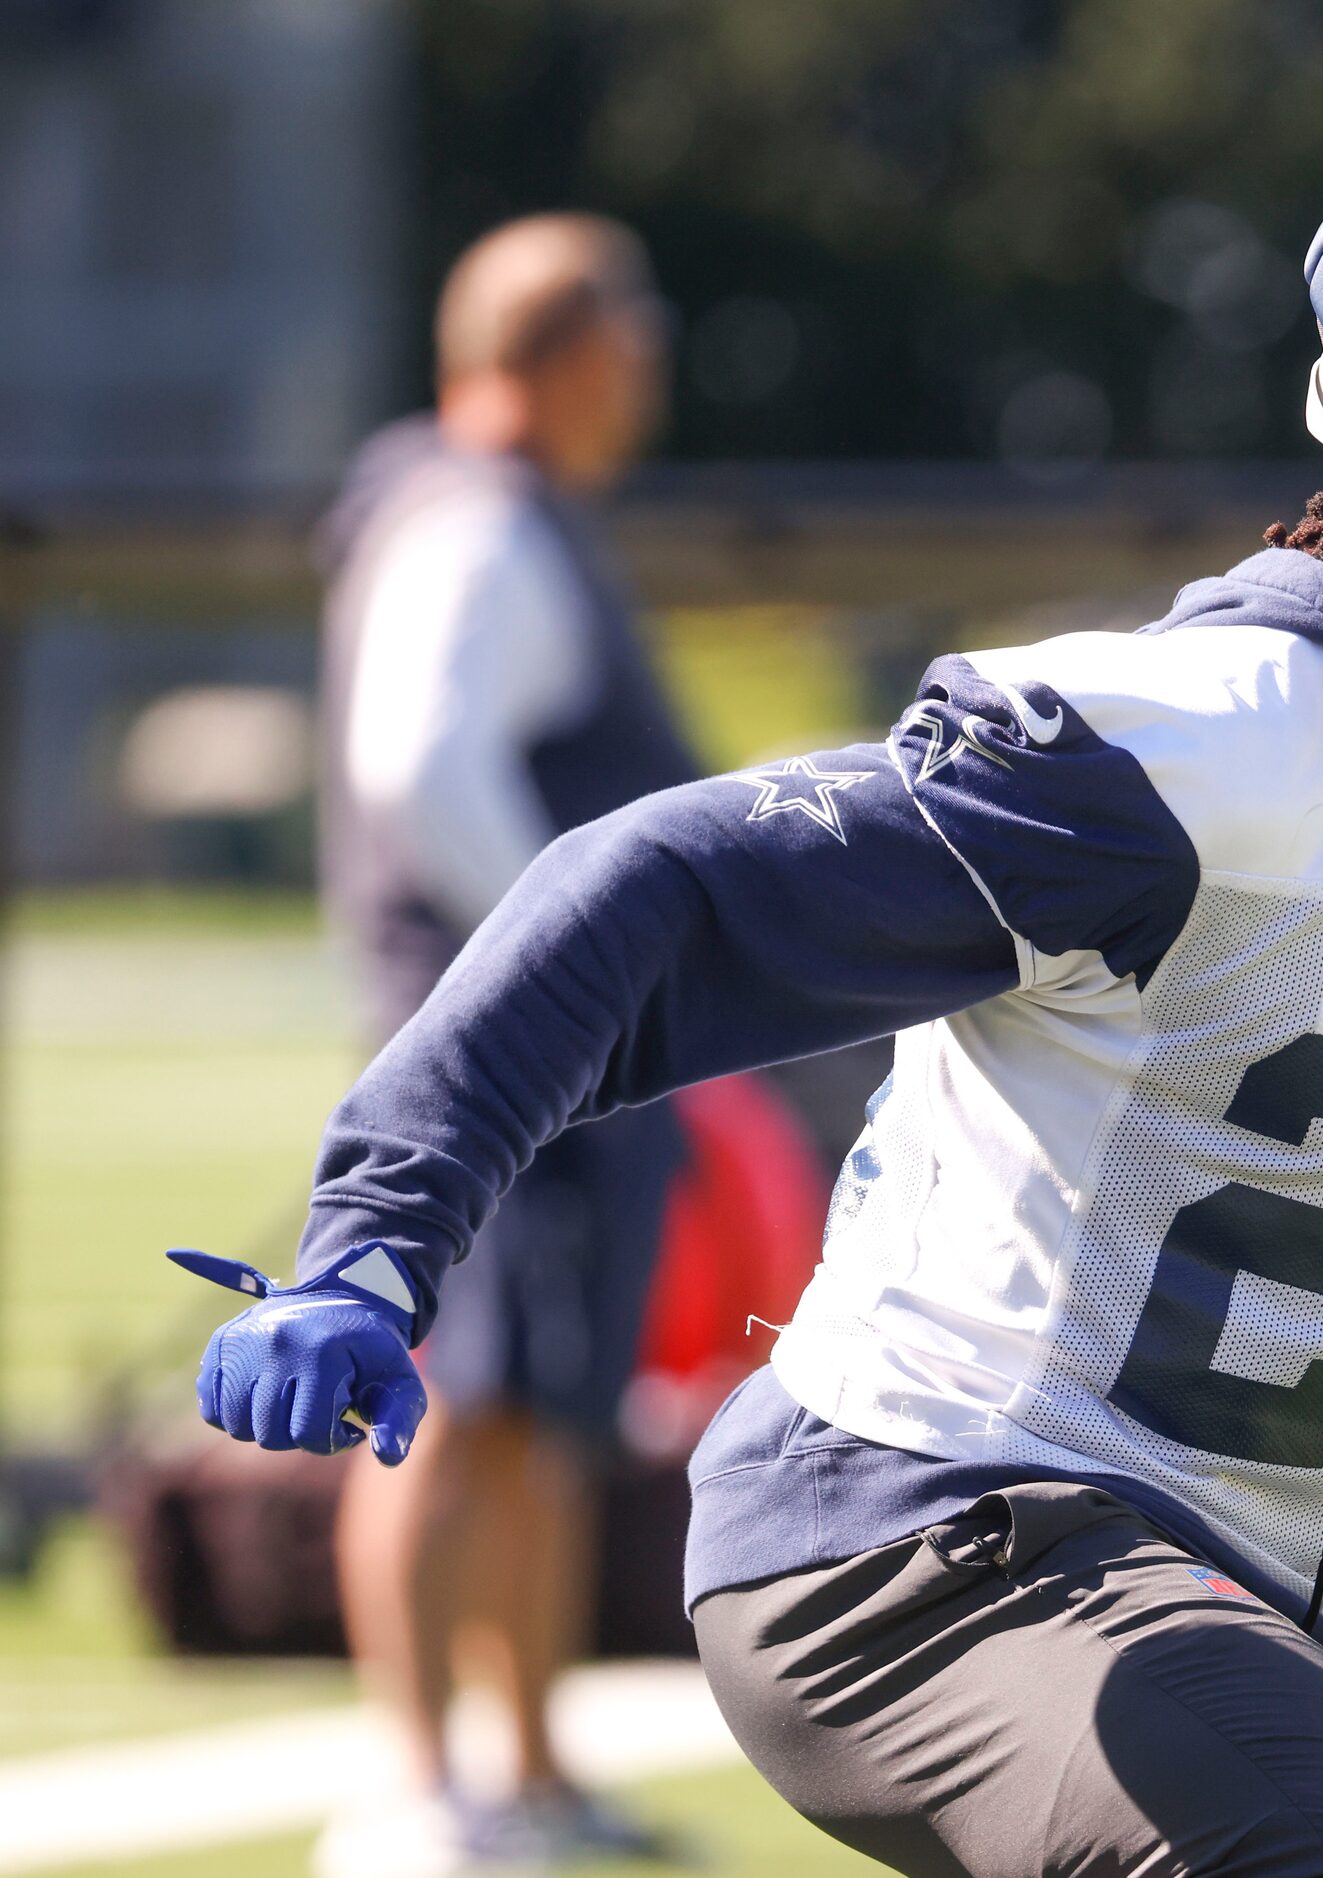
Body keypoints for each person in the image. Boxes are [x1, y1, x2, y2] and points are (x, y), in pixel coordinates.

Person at [176, 61, 1323, 1876]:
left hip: (1172, 1586)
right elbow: (657, 891)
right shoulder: (1200, 744)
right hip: (919, 1538)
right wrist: (379, 1236)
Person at [304, 212, 698, 1870]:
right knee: (449, 1410)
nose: (654, 372)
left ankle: (528, 1775)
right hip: (500, 1051)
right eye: (639, 332)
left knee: (546, 1409)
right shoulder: (476, 520)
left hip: (554, 1051)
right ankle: (419, 1781)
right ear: (567, 350)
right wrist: (562, 958)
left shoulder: (505, 514)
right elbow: (422, 768)